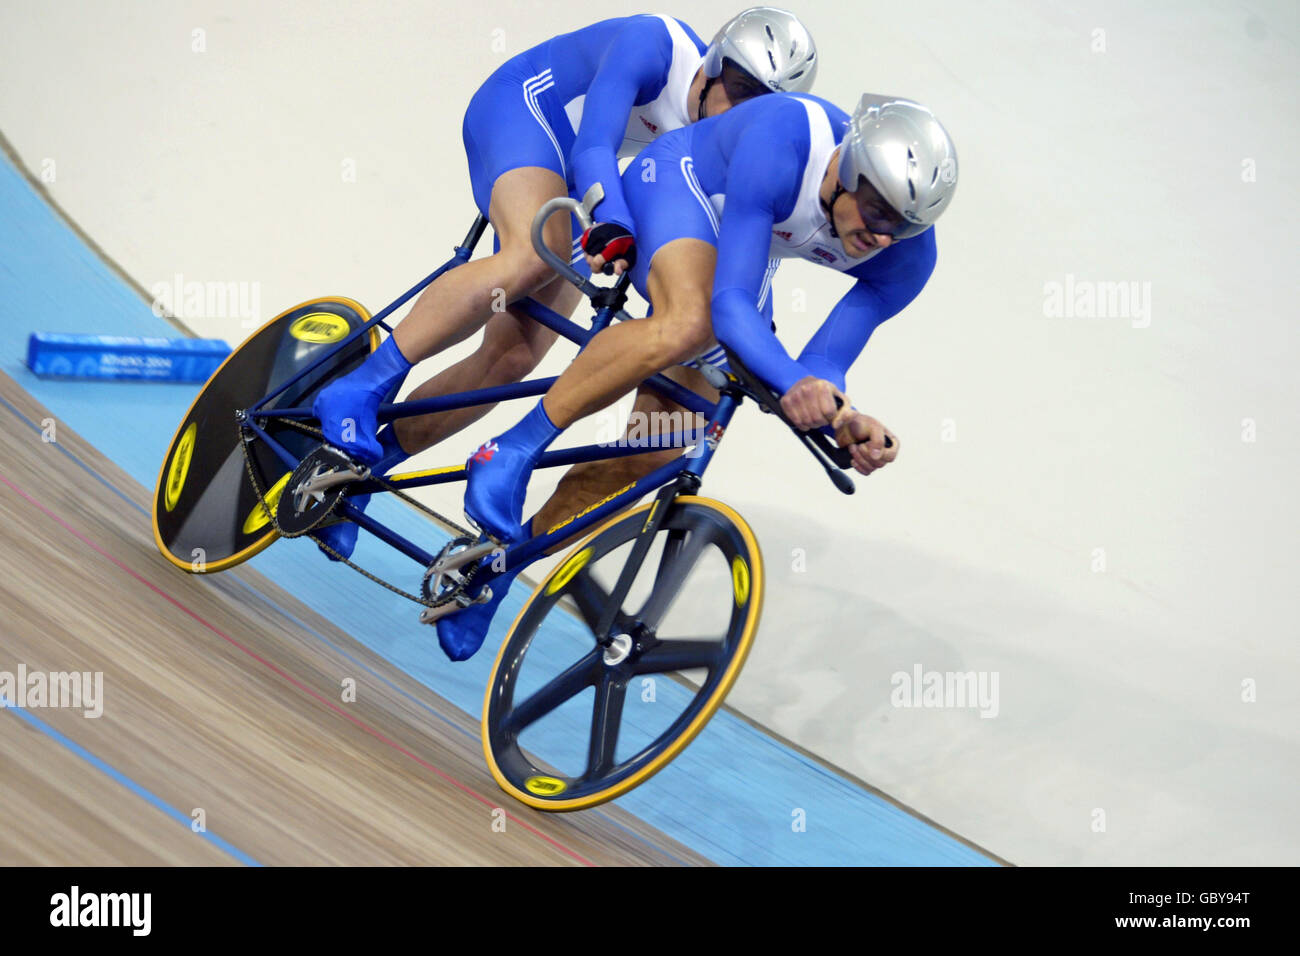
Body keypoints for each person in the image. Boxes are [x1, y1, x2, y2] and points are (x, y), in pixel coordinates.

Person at [440, 90, 958, 659]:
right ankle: (510, 450)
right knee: (690, 321)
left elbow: (822, 364)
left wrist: (843, 415)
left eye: (905, 227)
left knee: (659, 453)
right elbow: (731, 305)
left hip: (738, 247)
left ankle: (497, 569)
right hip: (677, 182)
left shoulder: (909, 258)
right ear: (850, 169)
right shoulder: (788, 139)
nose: (884, 238)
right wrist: (795, 385)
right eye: (880, 213)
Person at [309, 9, 818, 559]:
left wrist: (757, 351)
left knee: (516, 361)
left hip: (593, 180)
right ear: (710, 68)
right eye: (738, 90)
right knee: (534, 257)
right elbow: (594, 145)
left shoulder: (752, 153)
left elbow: (746, 256)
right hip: (530, 115)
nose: (741, 113)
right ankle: (359, 386)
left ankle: (356, 482)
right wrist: (612, 222)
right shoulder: (654, 46)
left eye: (760, 106)